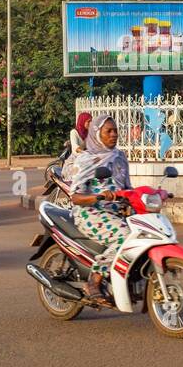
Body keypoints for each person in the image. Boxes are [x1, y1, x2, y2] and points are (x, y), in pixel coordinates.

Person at [69, 113, 130, 302]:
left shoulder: (119, 157)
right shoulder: (87, 159)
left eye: (115, 131)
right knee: (126, 236)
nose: (113, 135)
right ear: (96, 134)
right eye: (108, 131)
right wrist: (98, 196)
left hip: (115, 211)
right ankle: (94, 281)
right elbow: (75, 197)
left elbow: (127, 187)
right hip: (91, 212)